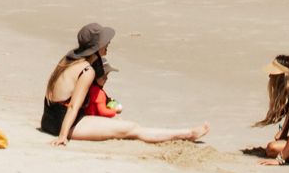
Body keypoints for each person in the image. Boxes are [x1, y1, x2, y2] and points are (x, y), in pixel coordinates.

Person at [40, 23, 206, 146]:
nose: (108, 43)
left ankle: (186, 133)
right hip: (63, 124)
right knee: (132, 129)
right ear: (96, 47)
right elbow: (73, 106)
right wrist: (63, 136)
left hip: (49, 119)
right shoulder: (86, 71)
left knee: (121, 125)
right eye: (104, 41)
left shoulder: (69, 60)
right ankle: (188, 134)